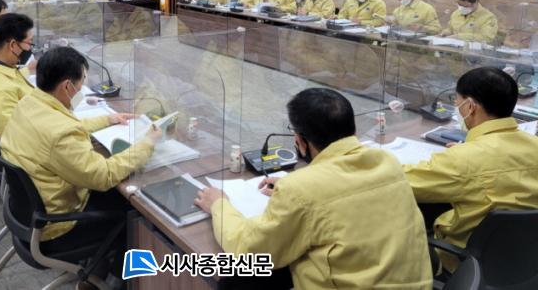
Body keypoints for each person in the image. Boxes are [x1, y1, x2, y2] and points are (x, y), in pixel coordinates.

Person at [195, 88, 432, 290]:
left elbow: (250, 250)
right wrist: (297, 189)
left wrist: (218, 205)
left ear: (299, 141)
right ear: (353, 129)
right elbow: (343, 191)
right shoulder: (387, 162)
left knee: (236, 279)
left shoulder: (300, 189)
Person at [0, 47, 161, 285]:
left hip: (27, 215)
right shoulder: (61, 133)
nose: (82, 86)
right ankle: (112, 281)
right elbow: (104, 175)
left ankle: (99, 267)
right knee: (133, 212)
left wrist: (107, 119)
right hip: (57, 229)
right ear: (67, 86)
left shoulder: (29, 103)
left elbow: (58, 130)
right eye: (82, 80)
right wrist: (147, 144)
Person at [404, 67, 538, 274]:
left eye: (456, 101)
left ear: (470, 106)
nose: (457, 107)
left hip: (464, 263)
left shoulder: (463, 160)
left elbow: (398, 181)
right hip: (523, 261)